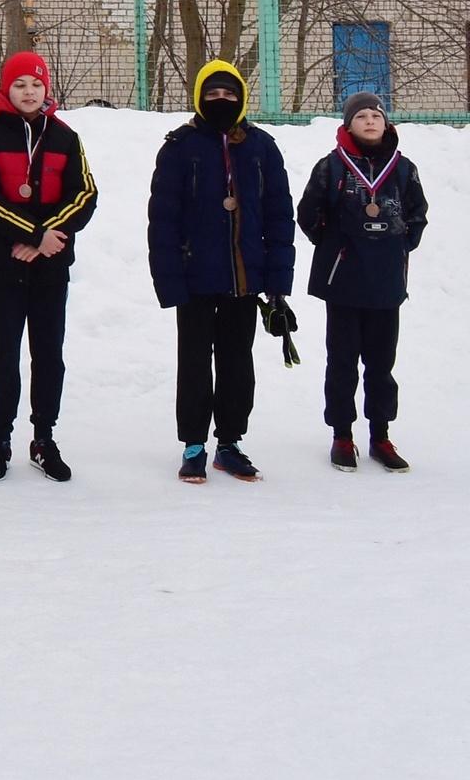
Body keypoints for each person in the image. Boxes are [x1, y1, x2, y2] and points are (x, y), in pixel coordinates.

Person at [148, 61, 296, 484]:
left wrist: (277, 283)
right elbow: (163, 220)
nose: (221, 100)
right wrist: (169, 280)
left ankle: (229, 443)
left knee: (237, 364)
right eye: (212, 94)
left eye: (229, 94)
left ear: (241, 98)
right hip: (194, 277)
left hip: (243, 279)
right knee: (194, 364)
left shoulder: (262, 147)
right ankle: (194, 445)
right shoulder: (179, 147)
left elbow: (279, 217)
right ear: (199, 98)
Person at [0, 50, 97, 482]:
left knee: (49, 356)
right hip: (0, 268)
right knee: (5, 358)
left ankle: (43, 438)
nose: (29, 92)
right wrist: (33, 234)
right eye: (20, 84)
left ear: (46, 89)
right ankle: (0, 439)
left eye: (36, 85)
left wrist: (44, 241)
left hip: (50, 269)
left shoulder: (65, 138)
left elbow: (84, 195)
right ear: (7, 89)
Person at [296, 91, 428, 473]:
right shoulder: (332, 166)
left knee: (382, 364)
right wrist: (336, 246)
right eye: (361, 116)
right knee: (342, 363)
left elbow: (417, 215)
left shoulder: (403, 169)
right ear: (349, 125)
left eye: (376, 115)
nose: (370, 121)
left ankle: (380, 436)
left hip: (386, 284)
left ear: (386, 124)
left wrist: (398, 247)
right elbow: (308, 214)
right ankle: (342, 435)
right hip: (344, 283)